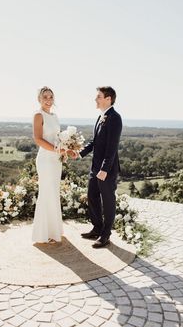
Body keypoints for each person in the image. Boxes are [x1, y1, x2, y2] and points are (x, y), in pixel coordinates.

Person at [79, 86, 122, 248]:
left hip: (106, 170)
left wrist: (104, 169)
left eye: (98, 96)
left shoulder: (115, 118)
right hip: (94, 167)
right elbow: (94, 142)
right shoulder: (100, 117)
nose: (95, 99)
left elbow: (112, 147)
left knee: (108, 201)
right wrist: (79, 153)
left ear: (108, 99)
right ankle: (97, 228)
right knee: (92, 197)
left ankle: (106, 235)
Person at [32, 86, 65, 244]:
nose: (48, 100)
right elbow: (38, 139)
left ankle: (54, 231)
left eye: (51, 97)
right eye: (45, 97)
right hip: (45, 159)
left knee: (54, 192)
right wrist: (56, 150)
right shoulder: (39, 115)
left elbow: (58, 138)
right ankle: (43, 233)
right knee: (46, 192)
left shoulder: (55, 116)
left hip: (56, 160)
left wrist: (65, 149)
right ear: (39, 99)